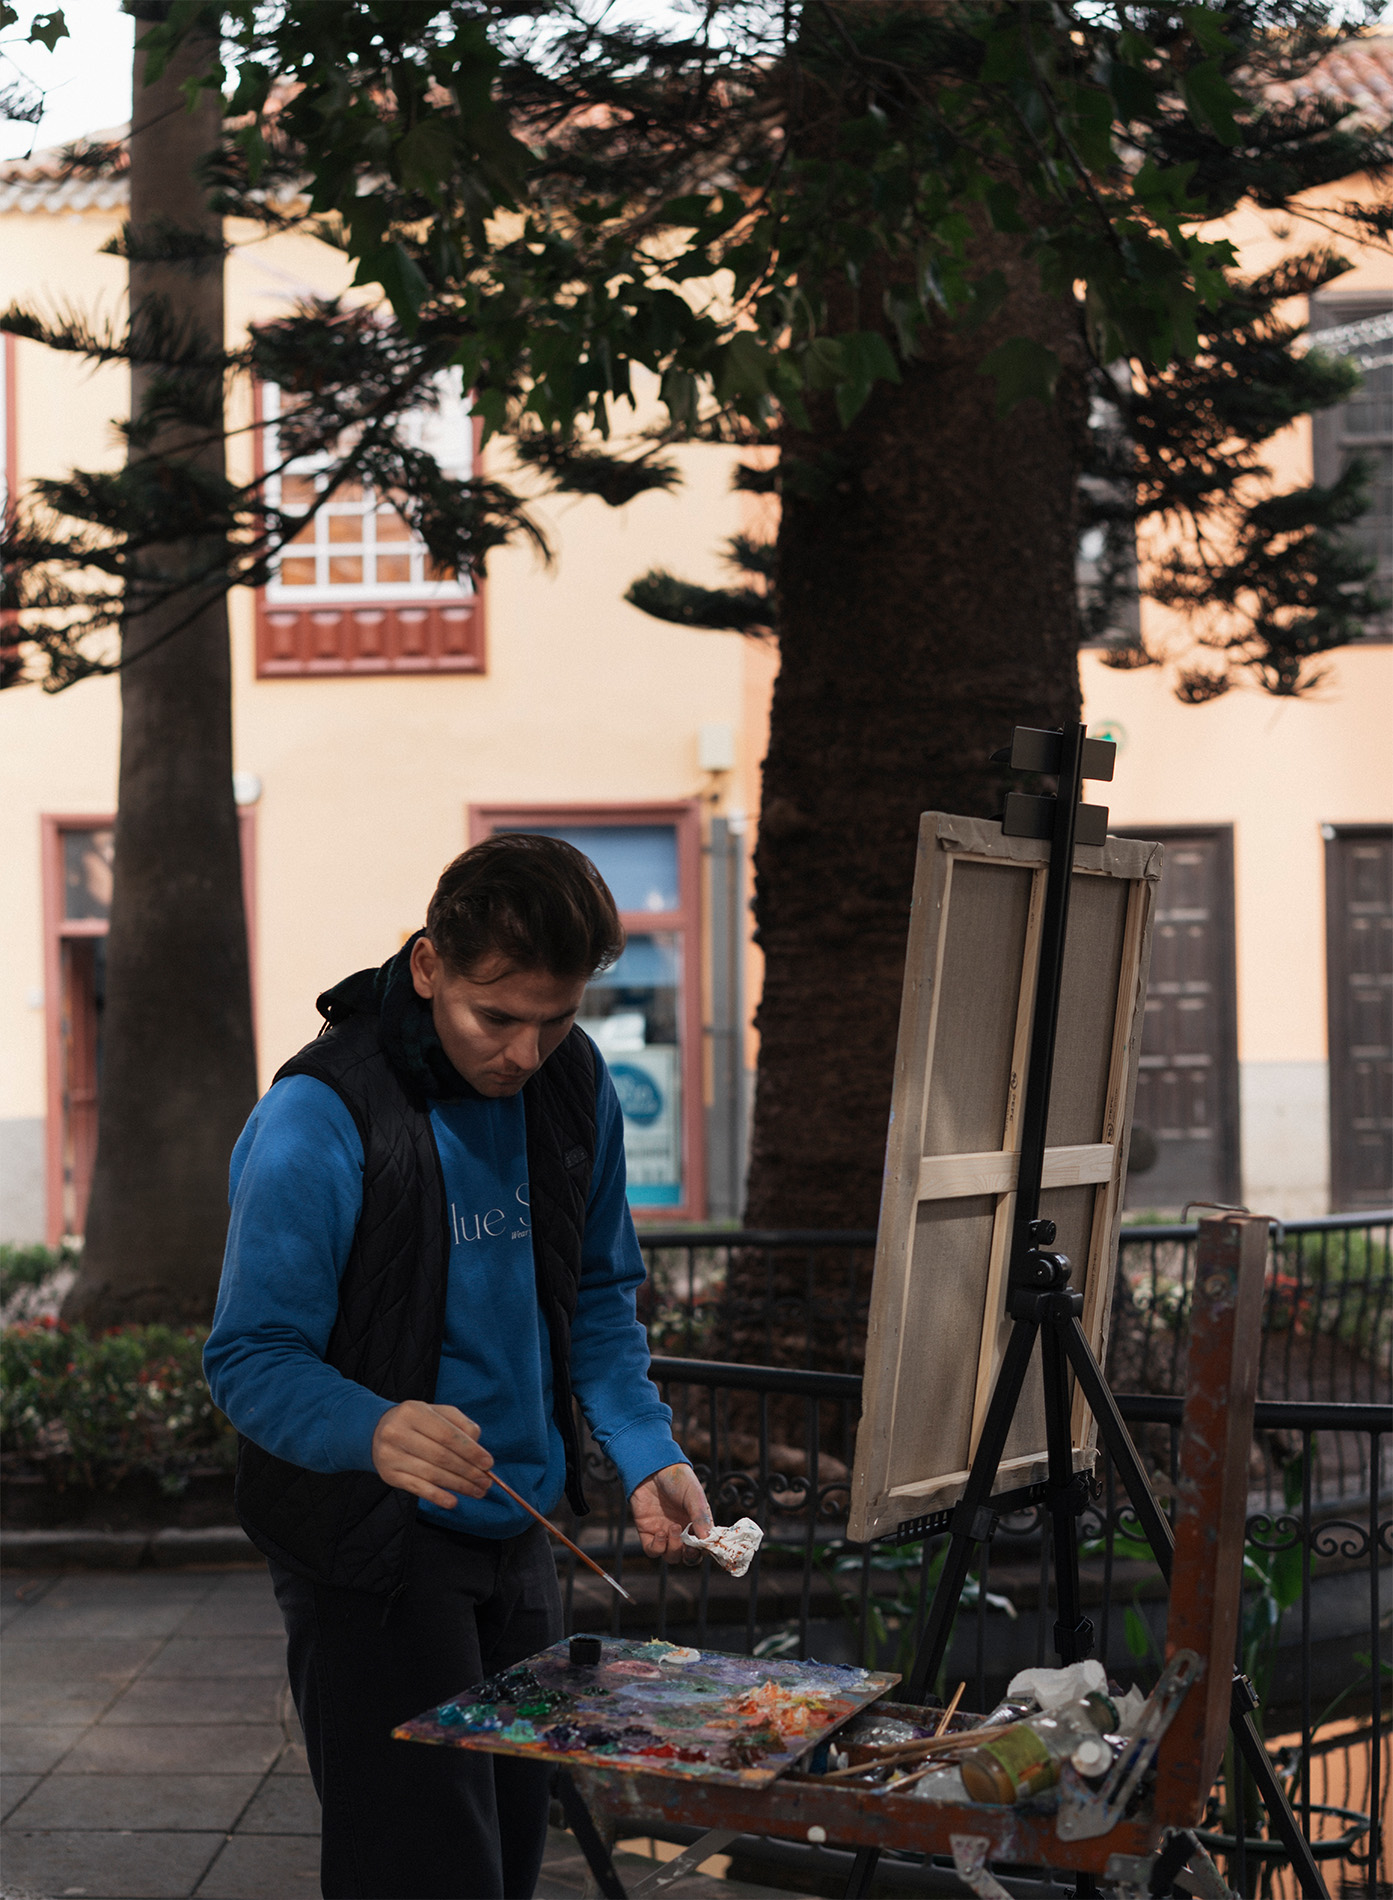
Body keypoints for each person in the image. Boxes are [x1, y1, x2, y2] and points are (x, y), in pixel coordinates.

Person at [205, 834, 713, 1900]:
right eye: (499, 1017)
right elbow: (249, 1356)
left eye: (557, 1017)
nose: (525, 1052)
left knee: (507, 1862)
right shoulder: (318, 1112)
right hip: (368, 1550)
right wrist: (372, 1426)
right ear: (429, 966)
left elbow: (596, 1296)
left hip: (519, 1535)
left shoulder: (574, 1084)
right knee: (423, 1874)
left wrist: (643, 1445)